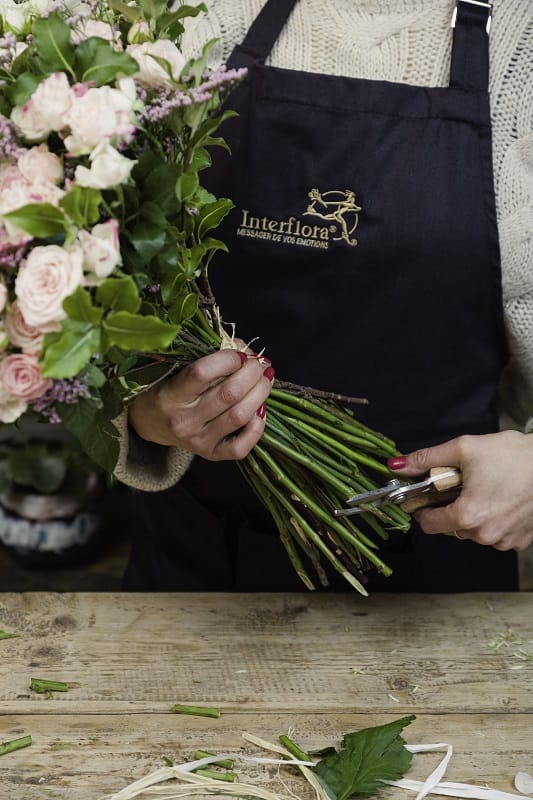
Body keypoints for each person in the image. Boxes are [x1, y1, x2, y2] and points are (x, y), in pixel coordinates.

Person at [114, 0, 533, 592]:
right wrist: (147, 418)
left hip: (442, 595)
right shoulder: (185, 23)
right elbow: (101, 327)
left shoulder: (520, 44)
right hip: (195, 578)